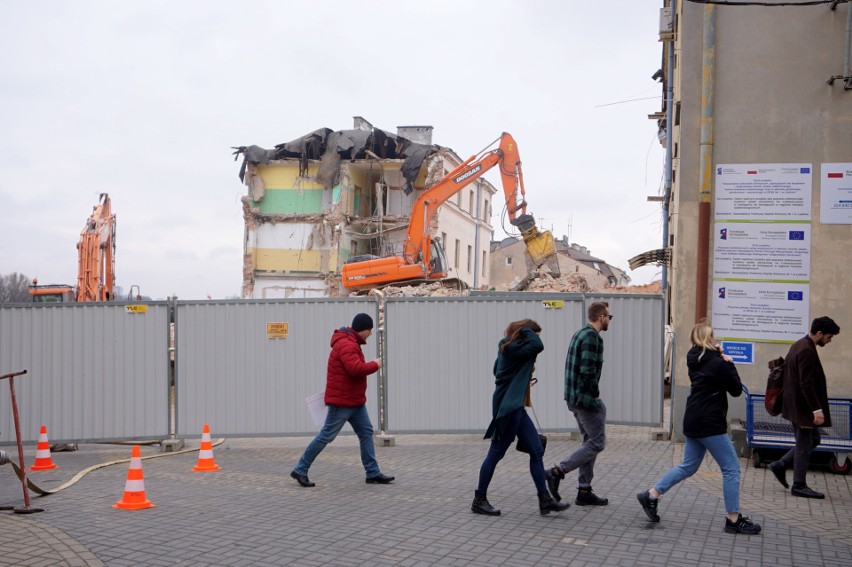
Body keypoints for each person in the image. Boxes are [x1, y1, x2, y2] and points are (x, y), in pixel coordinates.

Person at [636, 321, 761, 535]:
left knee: (688, 465)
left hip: (693, 419)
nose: (715, 339)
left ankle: (652, 494)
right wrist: (729, 362)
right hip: (710, 423)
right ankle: (733, 519)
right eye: (712, 336)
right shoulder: (718, 364)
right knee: (731, 469)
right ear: (707, 339)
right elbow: (735, 390)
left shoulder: (694, 360)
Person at [472, 319, 570, 517]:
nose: (537, 338)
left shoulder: (508, 348)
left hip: (515, 406)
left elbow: (496, 371)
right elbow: (538, 345)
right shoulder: (514, 347)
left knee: (536, 450)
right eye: (535, 333)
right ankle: (479, 500)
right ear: (525, 335)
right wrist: (525, 330)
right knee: (495, 453)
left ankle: (545, 500)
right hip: (508, 407)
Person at [290, 313, 394, 487]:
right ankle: (300, 469)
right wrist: (375, 364)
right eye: (369, 330)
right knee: (326, 436)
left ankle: (373, 473)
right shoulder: (346, 344)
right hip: (343, 401)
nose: (370, 334)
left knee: (366, 432)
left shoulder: (350, 342)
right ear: (364, 329)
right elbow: (355, 369)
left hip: (355, 401)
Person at [545, 301, 611, 507]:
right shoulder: (592, 337)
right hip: (585, 399)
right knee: (597, 443)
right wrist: (596, 394)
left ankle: (584, 491)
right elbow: (587, 370)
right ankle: (557, 472)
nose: (609, 320)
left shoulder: (579, 333)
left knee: (588, 442)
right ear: (601, 317)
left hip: (574, 397)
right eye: (609, 316)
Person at [768, 316, 840, 499]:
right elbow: (806, 383)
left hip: (795, 405)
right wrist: (816, 409)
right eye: (829, 337)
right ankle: (798, 485)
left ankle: (781, 464)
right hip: (802, 408)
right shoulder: (807, 350)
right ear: (819, 333)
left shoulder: (799, 344)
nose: (830, 341)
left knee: (813, 439)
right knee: (804, 444)